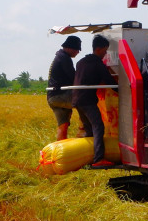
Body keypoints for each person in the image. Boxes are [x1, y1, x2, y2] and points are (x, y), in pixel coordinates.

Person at [73, 34, 116, 168]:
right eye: (105, 51)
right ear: (98, 49)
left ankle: (87, 157)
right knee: (98, 126)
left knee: (89, 129)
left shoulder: (81, 62)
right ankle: (98, 159)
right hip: (87, 100)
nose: (105, 54)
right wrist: (126, 91)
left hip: (76, 100)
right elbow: (110, 81)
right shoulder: (97, 64)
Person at [47, 35, 81, 141]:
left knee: (63, 125)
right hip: (60, 96)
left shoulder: (60, 56)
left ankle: (60, 148)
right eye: (77, 49)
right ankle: (84, 132)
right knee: (86, 102)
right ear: (70, 48)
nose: (78, 52)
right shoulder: (64, 58)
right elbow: (74, 78)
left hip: (52, 98)